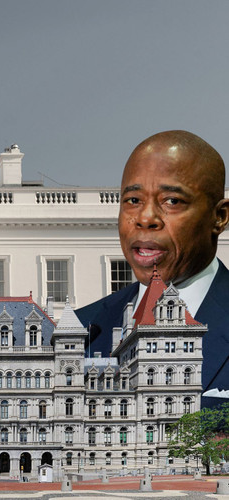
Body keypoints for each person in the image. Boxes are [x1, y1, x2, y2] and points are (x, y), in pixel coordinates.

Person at [77, 130, 229, 408]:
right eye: (133, 201)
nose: (145, 218)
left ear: (219, 217)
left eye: (172, 201)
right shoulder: (79, 330)